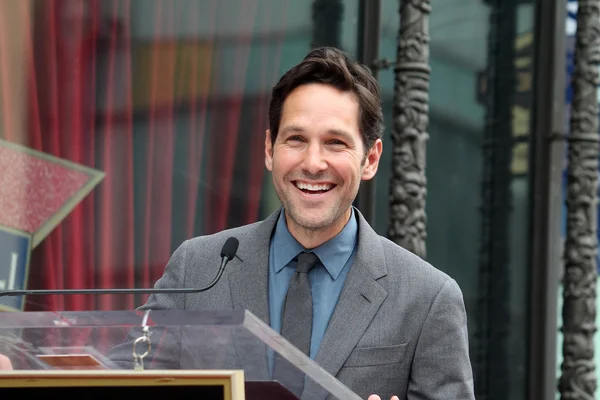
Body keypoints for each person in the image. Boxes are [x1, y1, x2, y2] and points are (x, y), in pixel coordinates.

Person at [0, 47, 474, 400]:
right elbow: (128, 378)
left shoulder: (428, 299)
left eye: (335, 143)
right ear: (269, 150)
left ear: (370, 158)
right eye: (295, 139)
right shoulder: (199, 266)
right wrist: (21, 378)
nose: (313, 162)